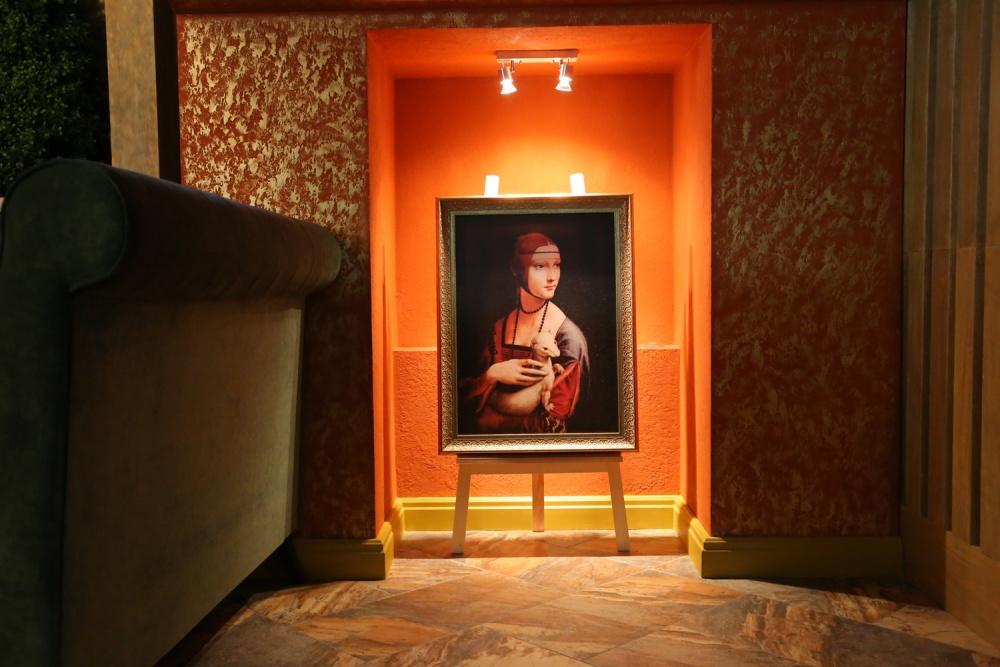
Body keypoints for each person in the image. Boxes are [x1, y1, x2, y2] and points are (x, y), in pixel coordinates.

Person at [459, 232, 589, 434]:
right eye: (540, 266)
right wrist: (492, 375)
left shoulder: (569, 338)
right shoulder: (499, 328)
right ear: (516, 269)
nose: (552, 276)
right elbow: (461, 402)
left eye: (556, 265)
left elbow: (563, 415)